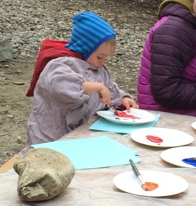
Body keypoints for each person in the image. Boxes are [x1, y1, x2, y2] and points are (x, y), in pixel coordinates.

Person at [26, 11, 138, 145]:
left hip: (80, 134)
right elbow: (61, 87)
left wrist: (123, 99)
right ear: (84, 48)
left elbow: (109, 89)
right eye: (100, 57)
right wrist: (97, 87)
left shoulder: (98, 68)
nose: (103, 62)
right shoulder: (61, 64)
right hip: (50, 136)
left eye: (106, 58)